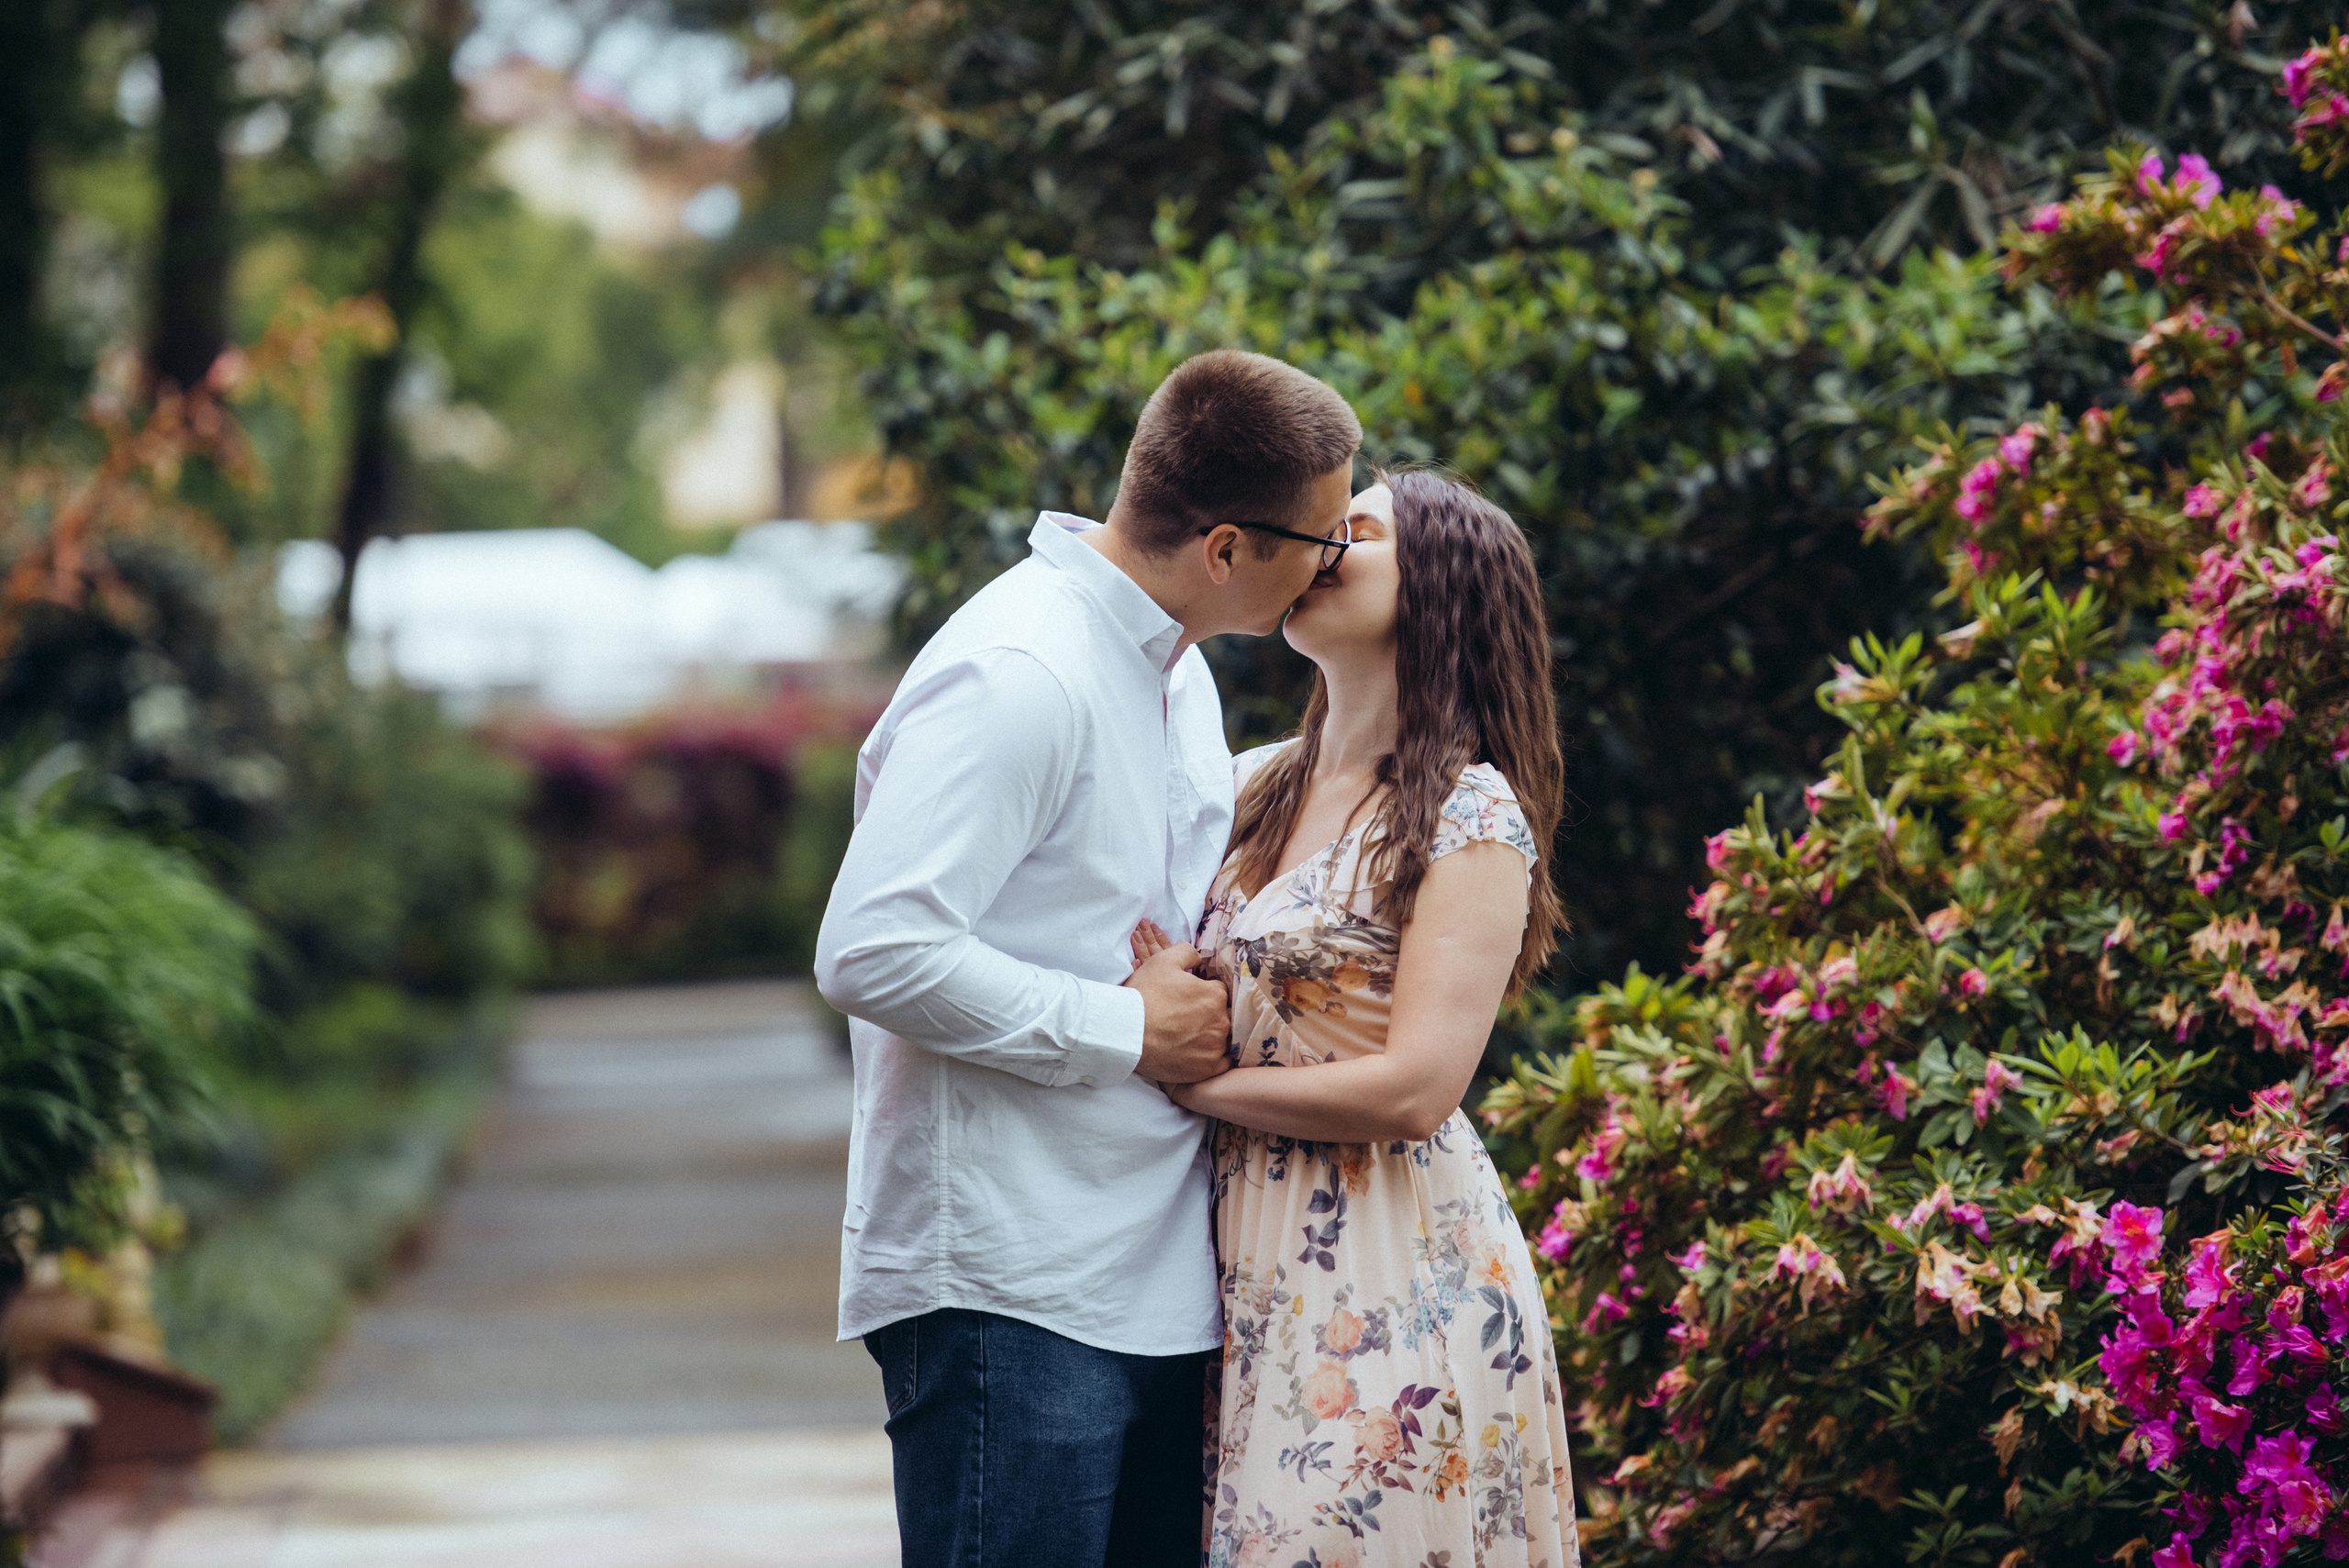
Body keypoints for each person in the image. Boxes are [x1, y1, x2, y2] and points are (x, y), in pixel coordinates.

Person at [814, 350, 1364, 1568]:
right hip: (1012, 1279)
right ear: (1226, 547)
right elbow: (870, 945)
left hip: (1156, 1270)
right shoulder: (1022, 671)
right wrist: (1125, 1029)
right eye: (1320, 540)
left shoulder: (1177, 677)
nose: (1331, 565)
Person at [1130, 470, 1579, 1567]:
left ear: (1440, 584)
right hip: (1221, 1263)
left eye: (1358, 529)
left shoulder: (1470, 810)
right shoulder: (1245, 784)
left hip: (1385, 1260)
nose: (1323, 543)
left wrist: (1193, 1082)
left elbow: (1417, 1088)